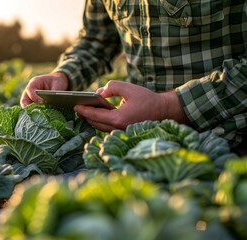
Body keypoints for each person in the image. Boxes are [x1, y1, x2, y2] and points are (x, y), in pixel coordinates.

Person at [20, 0, 247, 156]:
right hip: (134, 145)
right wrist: (64, 75)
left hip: (229, 143)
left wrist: (167, 106)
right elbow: (97, 39)